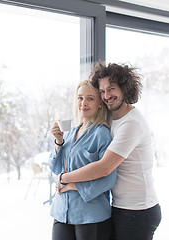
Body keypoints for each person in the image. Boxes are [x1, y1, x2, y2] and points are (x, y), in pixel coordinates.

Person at [57, 62, 162, 240]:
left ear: (125, 89)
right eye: (102, 91)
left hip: (138, 210)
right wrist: (60, 140)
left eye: (111, 89)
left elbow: (104, 167)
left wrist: (64, 178)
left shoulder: (131, 123)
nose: (106, 96)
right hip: (120, 206)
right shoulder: (111, 117)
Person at [49, 79, 118, 240]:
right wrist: (59, 141)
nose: (83, 103)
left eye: (90, 98)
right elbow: (56, 168)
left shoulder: (102, 134)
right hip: (61, 212)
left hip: (91, 216)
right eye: (80, 98)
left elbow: (109, 178)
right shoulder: (71, 132)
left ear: (100, 104)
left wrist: (73, 186)